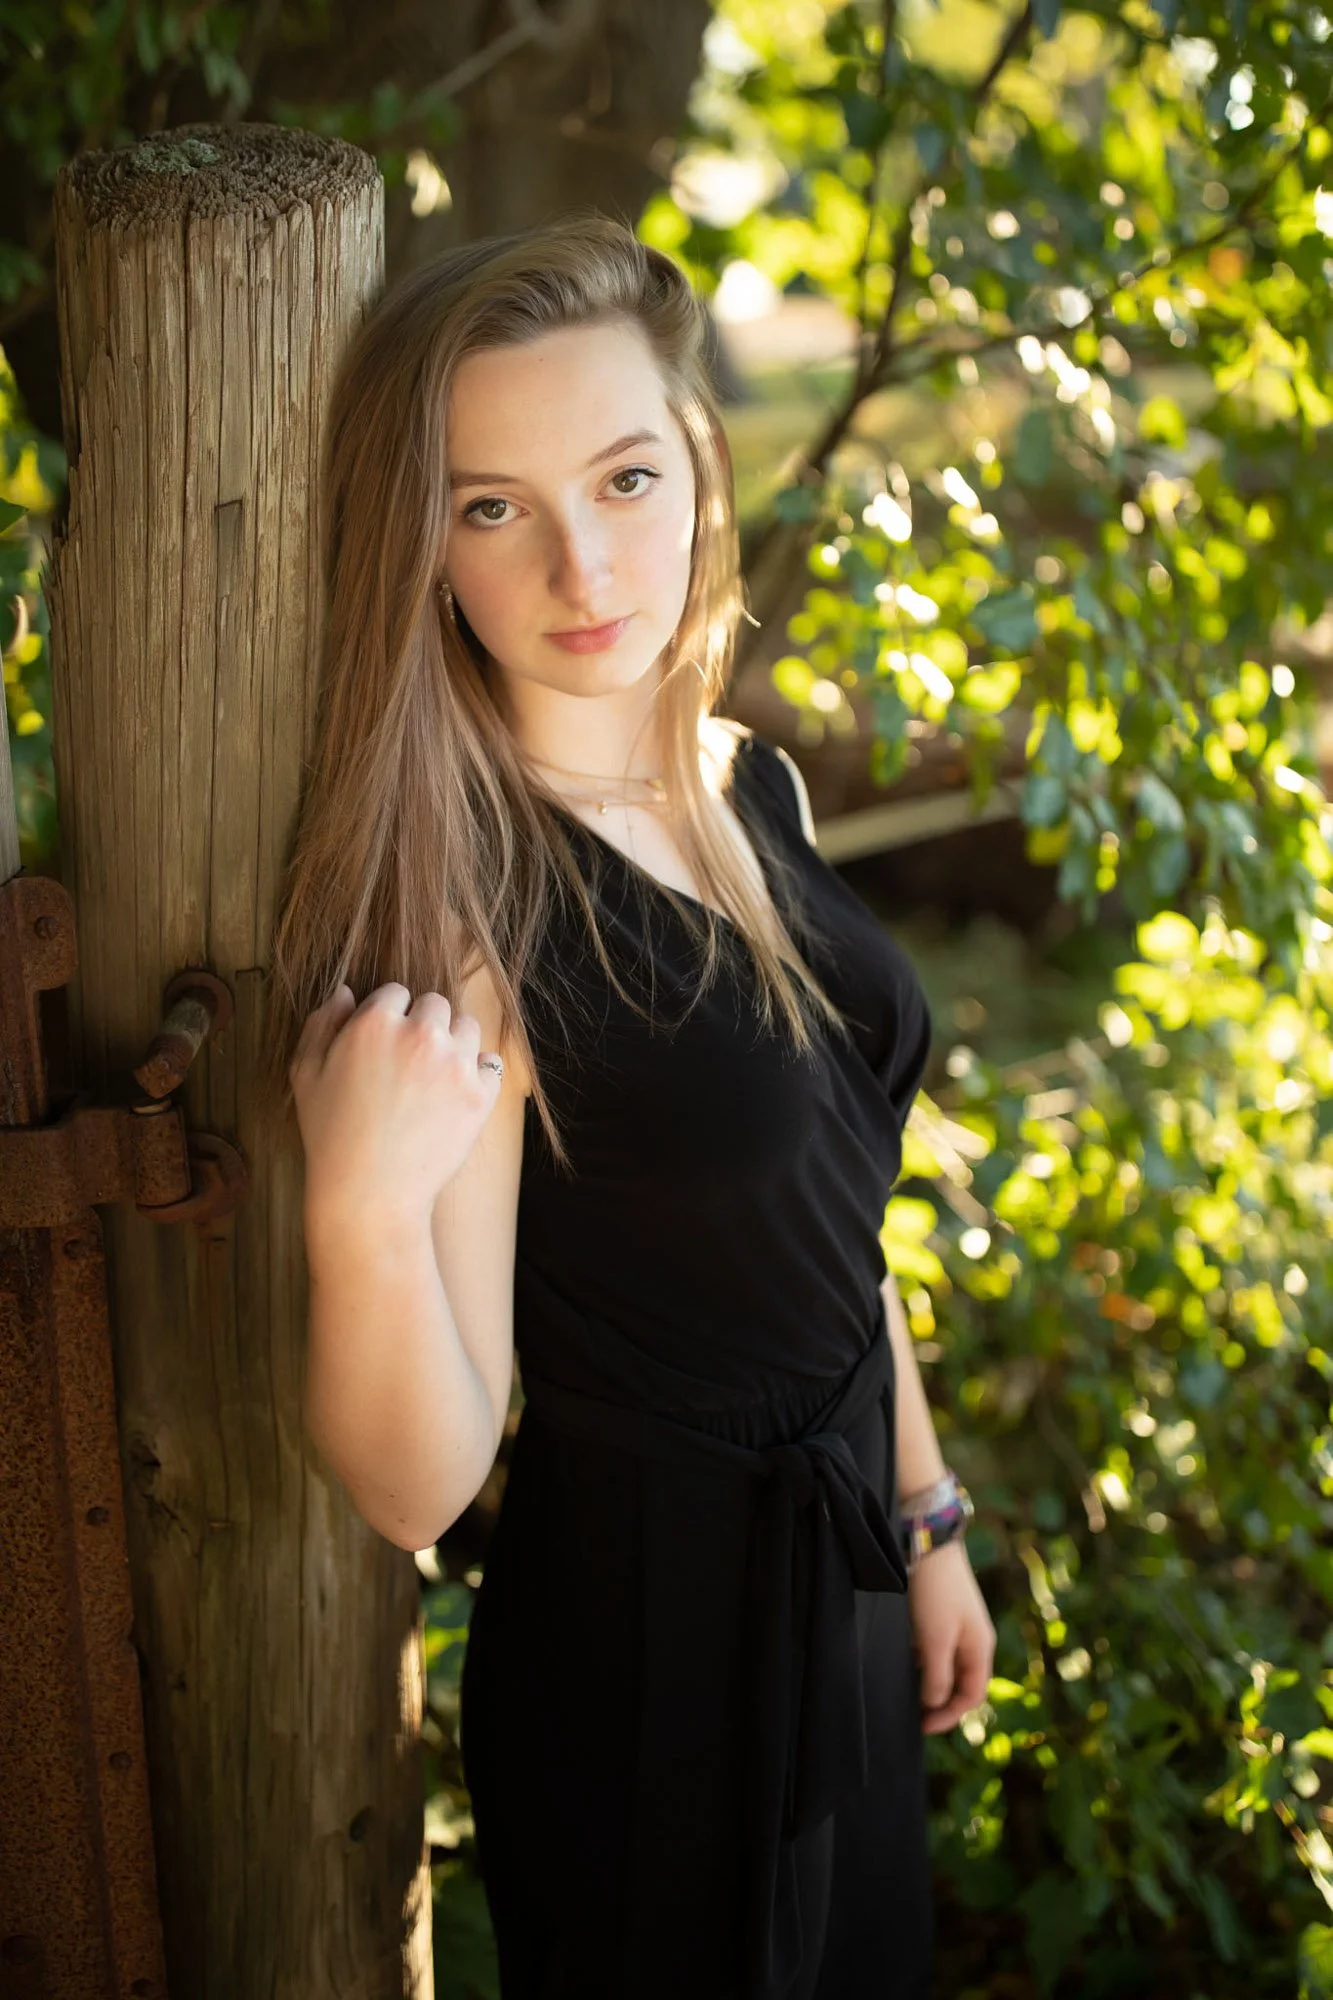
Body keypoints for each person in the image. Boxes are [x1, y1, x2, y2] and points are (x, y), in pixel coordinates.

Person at [269, 212, 996, 2000]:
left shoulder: (747, 782)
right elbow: (427, 1482)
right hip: (651, 1661)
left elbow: (826, 1206)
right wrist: (359, 1213)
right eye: (491, 504)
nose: (582, 565)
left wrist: (925, 1513)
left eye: (624, 476)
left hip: (842, 1566)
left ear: (702, 465)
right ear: (424, 545)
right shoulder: (464, 914)